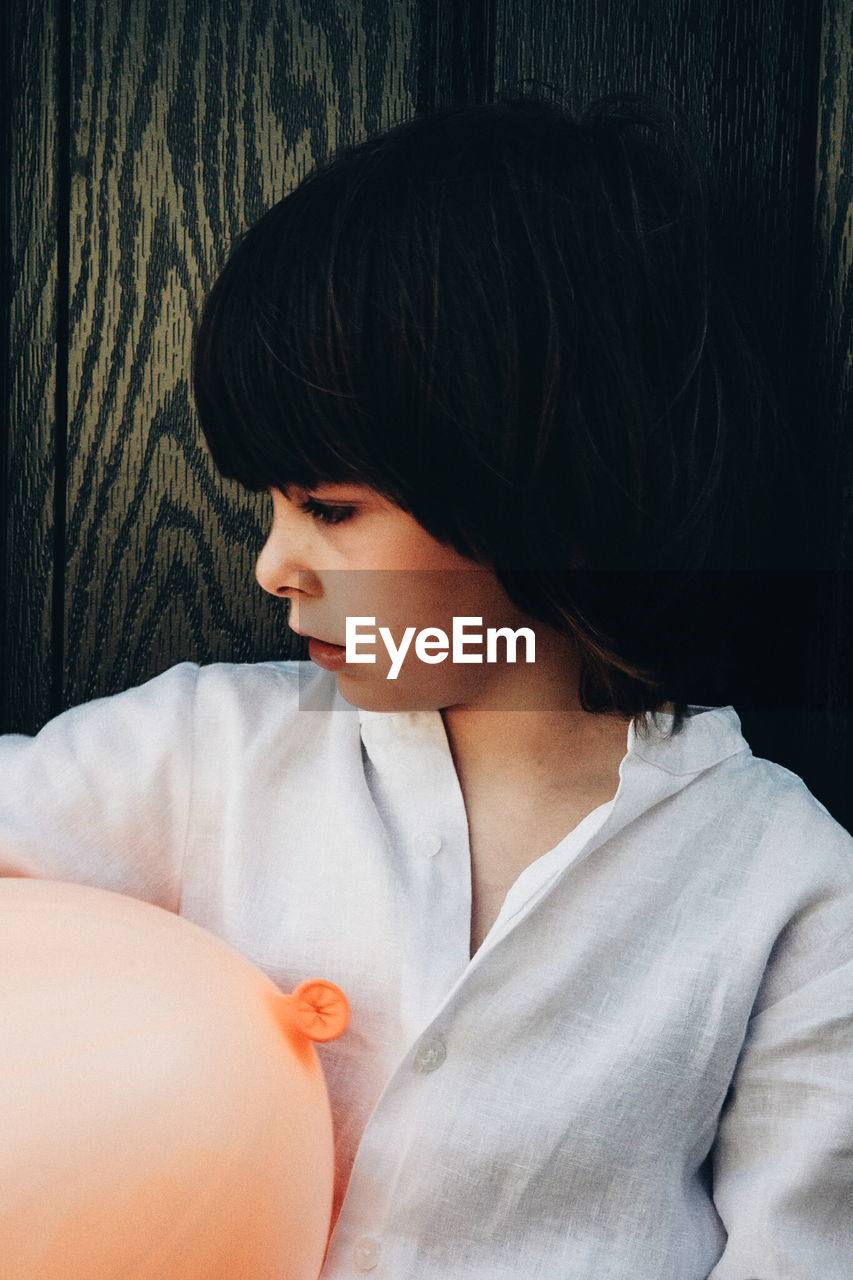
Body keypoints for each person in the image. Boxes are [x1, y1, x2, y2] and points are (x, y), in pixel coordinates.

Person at [1, 93, 851, 1278]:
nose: (271, 562)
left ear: (534, 485)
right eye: (275, 503)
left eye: (329, 507)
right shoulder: (208, 752)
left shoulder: (788, 885)